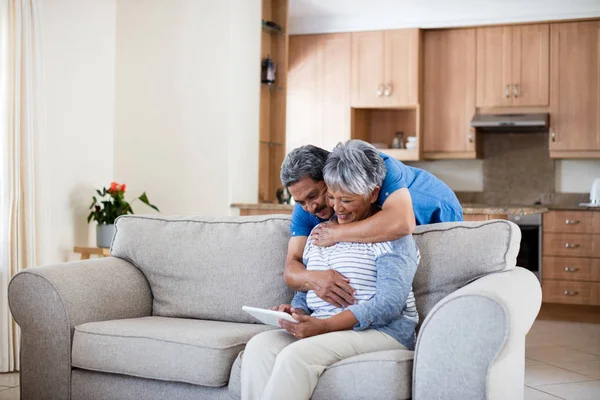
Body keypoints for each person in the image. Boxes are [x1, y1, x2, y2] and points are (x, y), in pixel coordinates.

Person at [240, 140, 419, 400]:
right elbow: (305, 289)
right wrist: (297, 312)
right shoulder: (320, 232)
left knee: (296, 356)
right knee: (260, 347)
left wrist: (324, 326)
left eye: (346, 199)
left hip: (380, 331)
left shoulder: (391, 233)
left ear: (372, 194)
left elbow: (390, 304)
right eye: (333, 198)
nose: (336, 208)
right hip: (325, 324)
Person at [280, 141, 461, 308]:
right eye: (300, 202)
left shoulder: (374, 167)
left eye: (313, 196)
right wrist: (312, 279)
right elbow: (292, 267)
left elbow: (402, 222)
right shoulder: (305, 205)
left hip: (437, 211)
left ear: (331, 178)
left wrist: (336, 233)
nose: (310, 208)